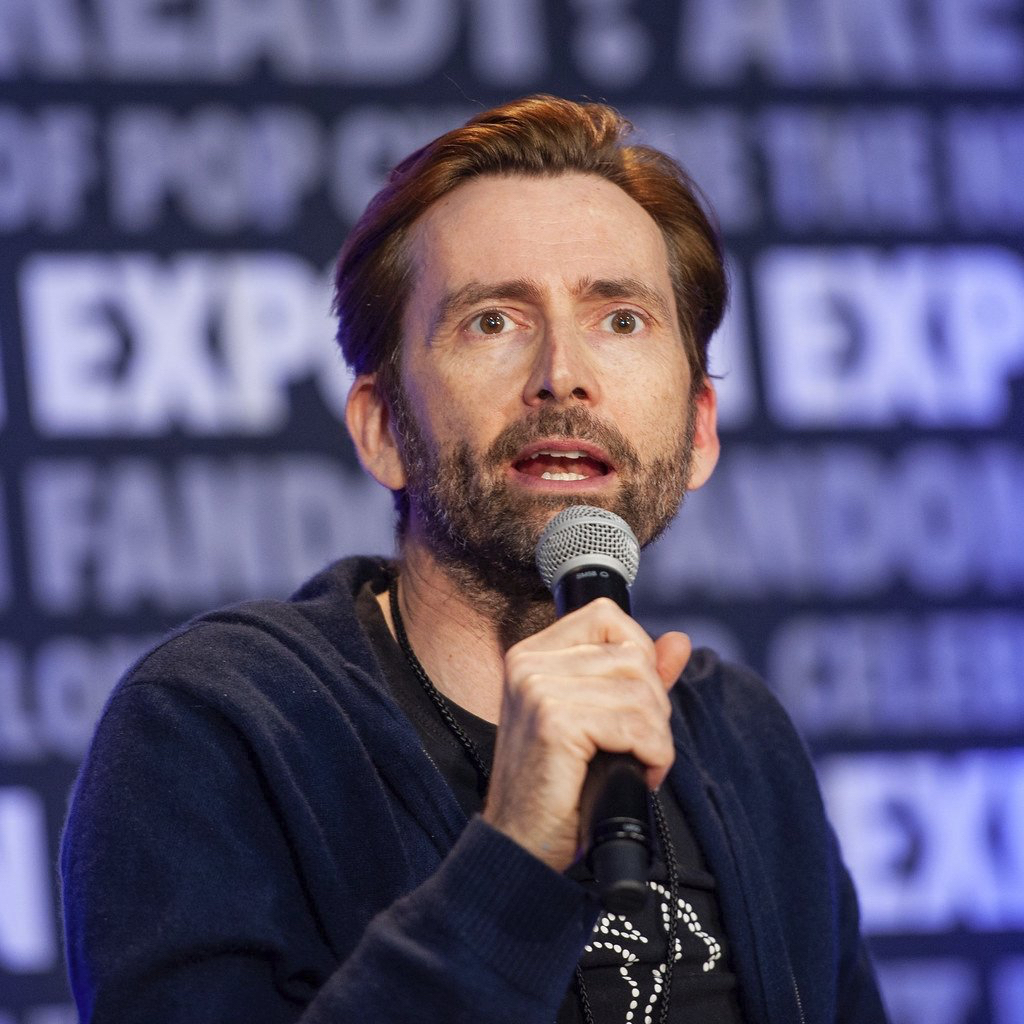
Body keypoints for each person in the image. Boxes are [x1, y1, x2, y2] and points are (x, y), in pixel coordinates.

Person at [61, 95, 888, 1023]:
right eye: (493, 321)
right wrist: (516, 854)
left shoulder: (741, 740)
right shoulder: (222, 728)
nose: (562, 374)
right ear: (383, 429)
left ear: (698, 431)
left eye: (621, 320)